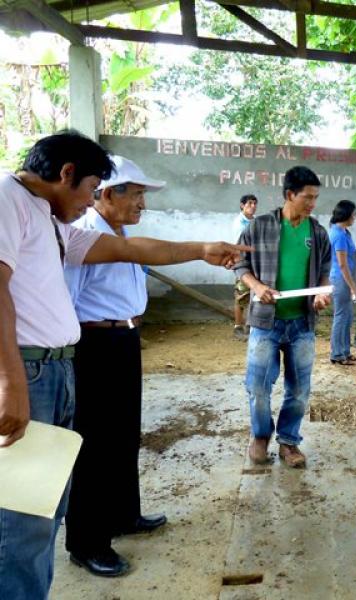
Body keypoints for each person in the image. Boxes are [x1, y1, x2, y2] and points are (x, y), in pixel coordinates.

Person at [0, 131, 248, 599]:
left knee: (44, 505)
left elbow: (134, 250)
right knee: (23, 515)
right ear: (67, 173)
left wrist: (200, 248)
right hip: (30, 369)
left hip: (56, 367)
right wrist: (9, 379)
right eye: (92, 188)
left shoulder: (49, 218)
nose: (91, 200)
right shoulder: (6, 199)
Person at [62, 156, 169, 577]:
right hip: (96, 344)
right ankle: (87, 542)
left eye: (143, 195)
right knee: (95, 446)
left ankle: (125, 514)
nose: (143, 203)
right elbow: (68, 300)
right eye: (137, 194)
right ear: (107, 194)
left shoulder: (120, 233)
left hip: (123, 339)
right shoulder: (87, 234)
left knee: (124, 435)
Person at [235, 166, 332, 469]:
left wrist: (320, 293)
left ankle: (289, 441)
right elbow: (239, 262)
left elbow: (325, 270)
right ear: (290, 194)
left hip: (302, 323)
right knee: (258, 386)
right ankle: (261, 435)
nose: (313, 203)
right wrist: (257, 286)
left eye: (316, 198)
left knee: (300, 389)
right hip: (266, 321)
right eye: (308, 197)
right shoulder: (259, 226)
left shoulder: (317, 232)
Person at [329, 200, 356, 365]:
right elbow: (342, 264)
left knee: (347, 315)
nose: (354, 217)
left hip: (344, 278)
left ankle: (345, 351)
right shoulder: (339, 234)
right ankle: (337, 353)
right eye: (353, 214)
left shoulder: (344, 232)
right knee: (341, 315)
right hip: (340, 279)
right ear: (346, 215)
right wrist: (353, 285)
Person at [233, 194, 258, 340]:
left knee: (253, 295)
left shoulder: (255, 221)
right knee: (240, 295)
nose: (253, 206)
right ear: (242, 205)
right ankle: (238, 327)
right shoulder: (239, 223)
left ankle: (249, 326)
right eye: (249, 203)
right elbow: (240, 245)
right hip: (242, 262)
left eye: (255, 203)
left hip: (254, 263)